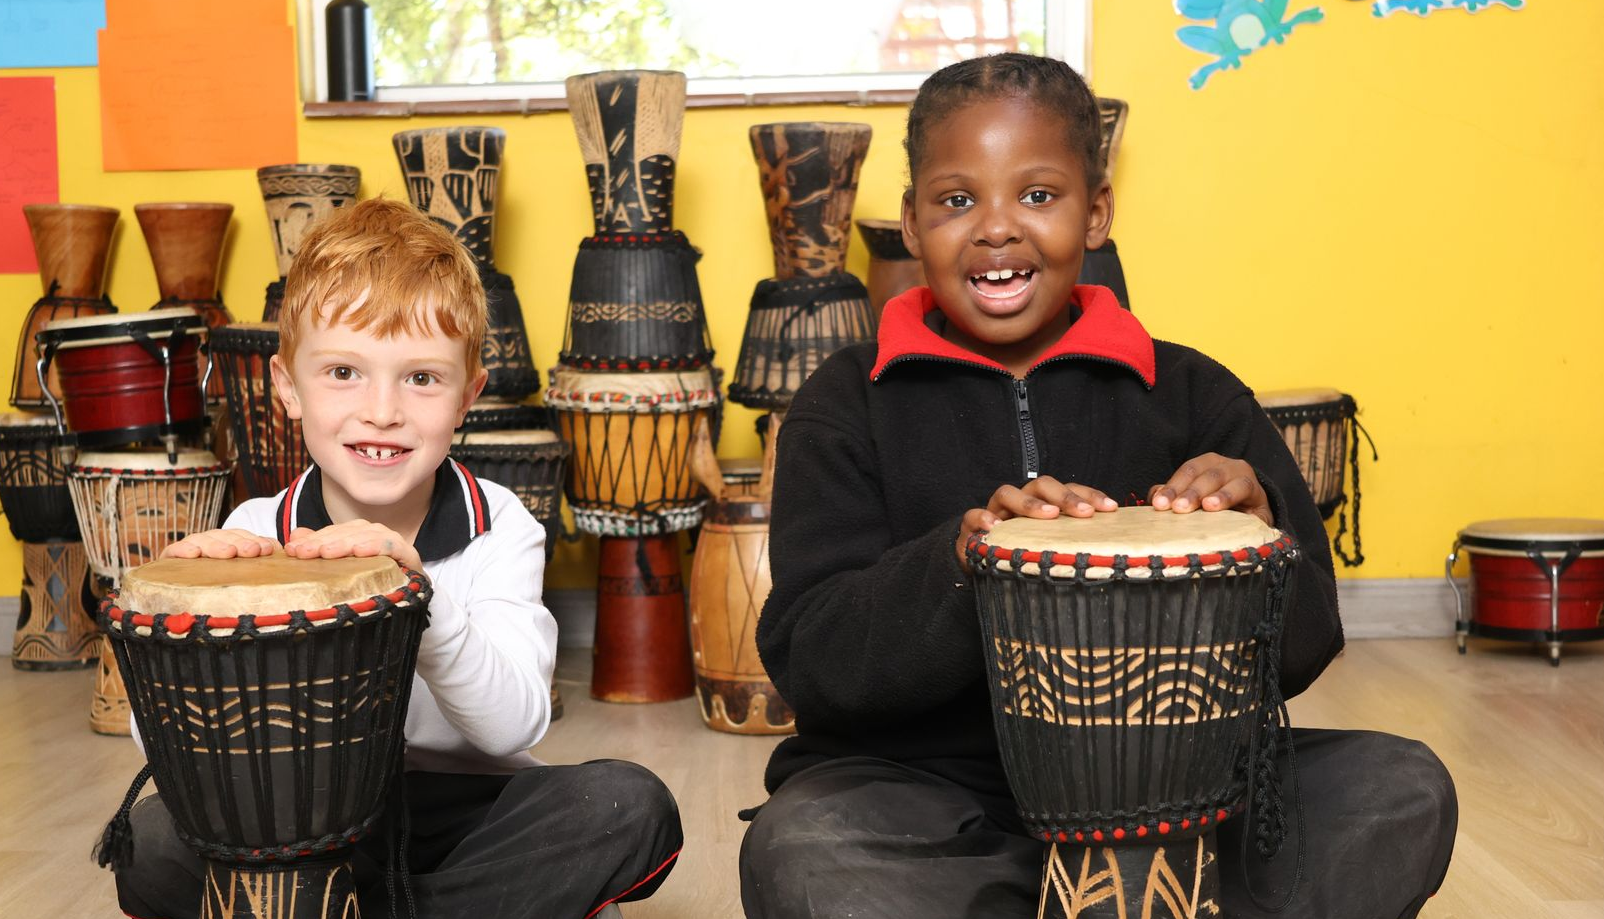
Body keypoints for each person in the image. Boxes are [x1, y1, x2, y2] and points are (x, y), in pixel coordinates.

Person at [738, 53, 1456, 919]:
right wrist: (962, 563)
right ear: (911, 219)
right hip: (932, 796)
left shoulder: (1190, 391)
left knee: (1398, 786)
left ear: (1097, 211)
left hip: (1180, 794)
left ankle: (1122, 895)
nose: (995, 229)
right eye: (957, 199)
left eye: (1037, 195)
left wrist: (1261, 537)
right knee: (808, 853)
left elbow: (1303, 648)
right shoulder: (846, 401)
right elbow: (814, 662)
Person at [112, 197, 681, 919]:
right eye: (344, 372)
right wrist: (184, 621)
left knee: (626, 804)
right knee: (151, 838)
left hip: (467, 810)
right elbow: (160, 748)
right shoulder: (256, 528)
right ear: (287, 387)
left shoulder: (499, 523)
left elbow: (512, 728)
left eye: (420, 378)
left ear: (466, 396)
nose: (382, 409)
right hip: (307, 819)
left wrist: (419, 595)